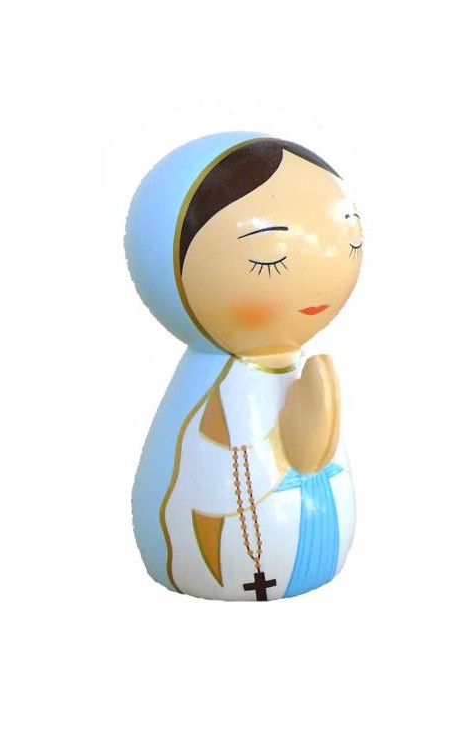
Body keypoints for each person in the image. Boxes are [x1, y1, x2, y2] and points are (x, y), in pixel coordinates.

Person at [125, 133, 364, 600]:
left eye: (351, 241)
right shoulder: (215, 388)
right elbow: (203, 486)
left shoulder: (291, 359)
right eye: (268, 257)